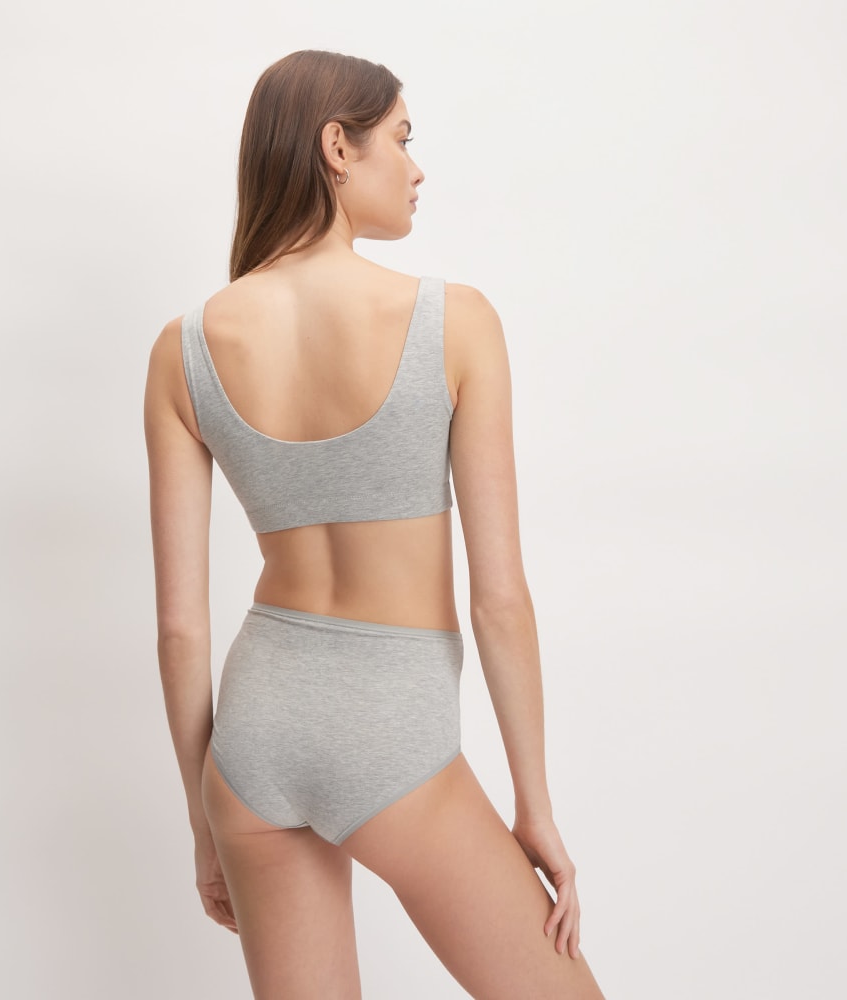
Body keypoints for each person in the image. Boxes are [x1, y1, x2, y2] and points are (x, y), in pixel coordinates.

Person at [144, 49, 605, 999]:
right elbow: (500, 600)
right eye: (401, 137)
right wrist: (534, 805)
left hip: (252, 741)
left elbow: (180, 628)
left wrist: (204, 818)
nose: (417, 167)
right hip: (390, 730)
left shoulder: (181, 351)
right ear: (336, 148)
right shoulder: (455, 322)